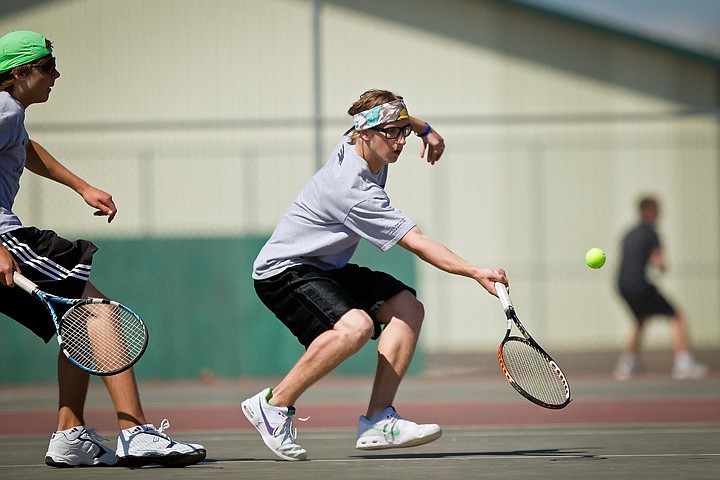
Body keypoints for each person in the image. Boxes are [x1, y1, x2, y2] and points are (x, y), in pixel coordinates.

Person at [243, 89, 509, 461]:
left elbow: (396, 119)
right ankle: (273, 405)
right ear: (364, 133)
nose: (400, 141)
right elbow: (416, 242)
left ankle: (377, 421)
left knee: (408, 309)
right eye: (392, 133)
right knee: (356, 328)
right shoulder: (351, 189)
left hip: (325, 265)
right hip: (283, 270)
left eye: (403, 131)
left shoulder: (368, 142)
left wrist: (425, 129)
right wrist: (475, 271)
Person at [0, 30, 206, 468]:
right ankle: (135, 432)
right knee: (99, 314)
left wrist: (81, 186)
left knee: (79, 323)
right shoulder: (2, 108)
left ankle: (69, 434)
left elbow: (25, 148)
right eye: (47, 67)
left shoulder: (10, 115)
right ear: (19, 74)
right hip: (4, 238)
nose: (56, 75)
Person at [615, 195, 708, 381]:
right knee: (677, 316)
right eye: (658, 209)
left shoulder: (628, 233)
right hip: (640, 284)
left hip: (622, 285)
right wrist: (662, 266)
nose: (660, 212)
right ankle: (684, 364)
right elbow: (660, 262)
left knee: (640, 318)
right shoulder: (651, 232)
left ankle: (627, 363)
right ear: (650, 211)